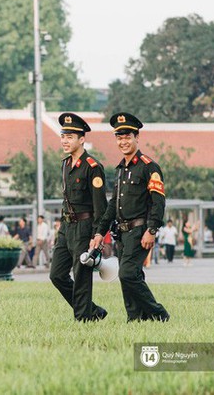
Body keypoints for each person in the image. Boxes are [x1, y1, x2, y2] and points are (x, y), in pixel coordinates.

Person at [93, 112, 169, 323]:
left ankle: (158, 313)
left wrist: (152, 230)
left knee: (127, 274)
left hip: (140, 231)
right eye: (119, 137)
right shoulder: (120, 170)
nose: (123, 141)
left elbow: (158, 202)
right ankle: (135, 318)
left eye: (128, 137)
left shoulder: (148, 166)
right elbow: (112, 205)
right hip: (122, 233)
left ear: (137, 137)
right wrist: (100, 231)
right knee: (132, 276)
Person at [50, 113, 108, 322]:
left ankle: (83, 319)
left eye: (70, 137)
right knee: (56, 275)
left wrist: (97, 234)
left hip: (85, 227)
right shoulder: (65, 164)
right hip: (66, 227)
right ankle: (93, 310)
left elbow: (101, 206)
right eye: (63, 136)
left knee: (81, 276)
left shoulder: (93, 167)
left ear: (81, 139)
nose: (65, 141)